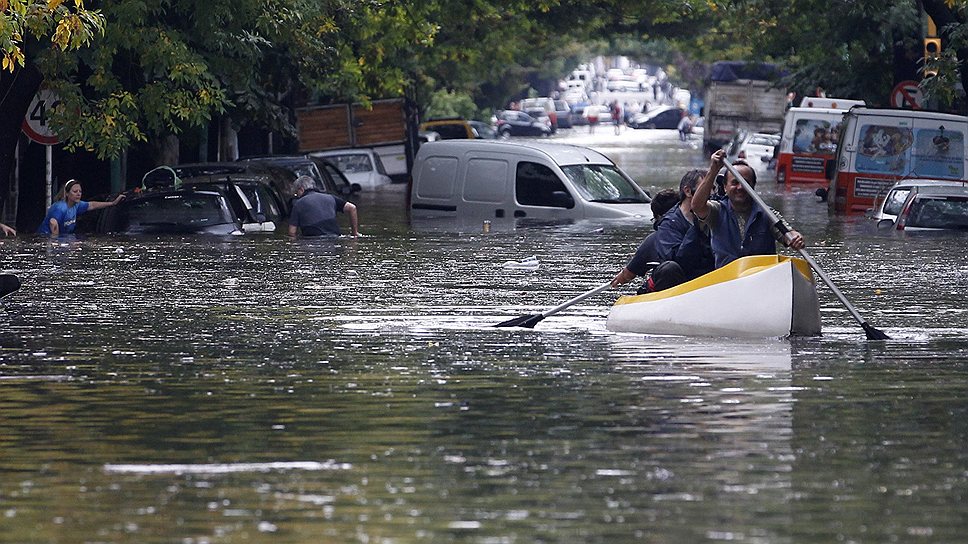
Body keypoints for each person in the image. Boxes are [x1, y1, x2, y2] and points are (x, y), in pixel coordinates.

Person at [691, 150, 805, 269]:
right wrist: (713, 170)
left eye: (745, 183)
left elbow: (788, 232)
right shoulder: (717, 211)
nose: (740, 187)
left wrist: (796, 237)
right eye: (735, 183)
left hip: (761, 276)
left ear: (753, 187)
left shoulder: (766, 213)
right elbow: (697, 206)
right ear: (725, 187)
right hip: (727, 278)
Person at [610, 189, 679, 293]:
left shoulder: (654, 240)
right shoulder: (695, 229)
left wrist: (620, 278)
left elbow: (628, 274)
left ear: (658, 217)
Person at [37, 179, 125, 236]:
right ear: (67, 194)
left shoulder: (77, 205)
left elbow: (92, 205)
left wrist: (113, 203)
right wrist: (56, 242)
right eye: (75, 191)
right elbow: (53, 223)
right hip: (45, 237)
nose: (78, 194)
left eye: (80, 191)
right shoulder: (60, 207)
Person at [287, 175, 360, 237]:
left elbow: (292, 232)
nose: (297, 196)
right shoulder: (331, 197)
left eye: (297, 193)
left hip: (312, 241)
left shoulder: (298, 204)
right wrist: (354, 233)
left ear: (301, 189)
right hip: (334, 238)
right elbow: (352, 208)